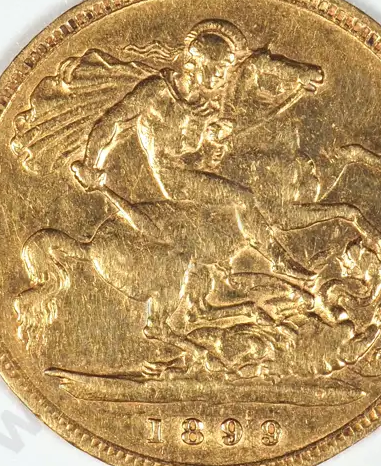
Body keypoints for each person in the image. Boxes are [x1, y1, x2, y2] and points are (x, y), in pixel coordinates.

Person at [70, 19, 314, 280]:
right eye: (215, 68)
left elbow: (252, 67)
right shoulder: (157, 91)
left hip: (199, 166)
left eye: (224, 70)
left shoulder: (210, 100)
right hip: (174, 176)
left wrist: (299, 73)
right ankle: (278, 259)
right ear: (194, 64)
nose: (221, 76)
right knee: (243, 199)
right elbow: (111, 121)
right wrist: (90, 163)